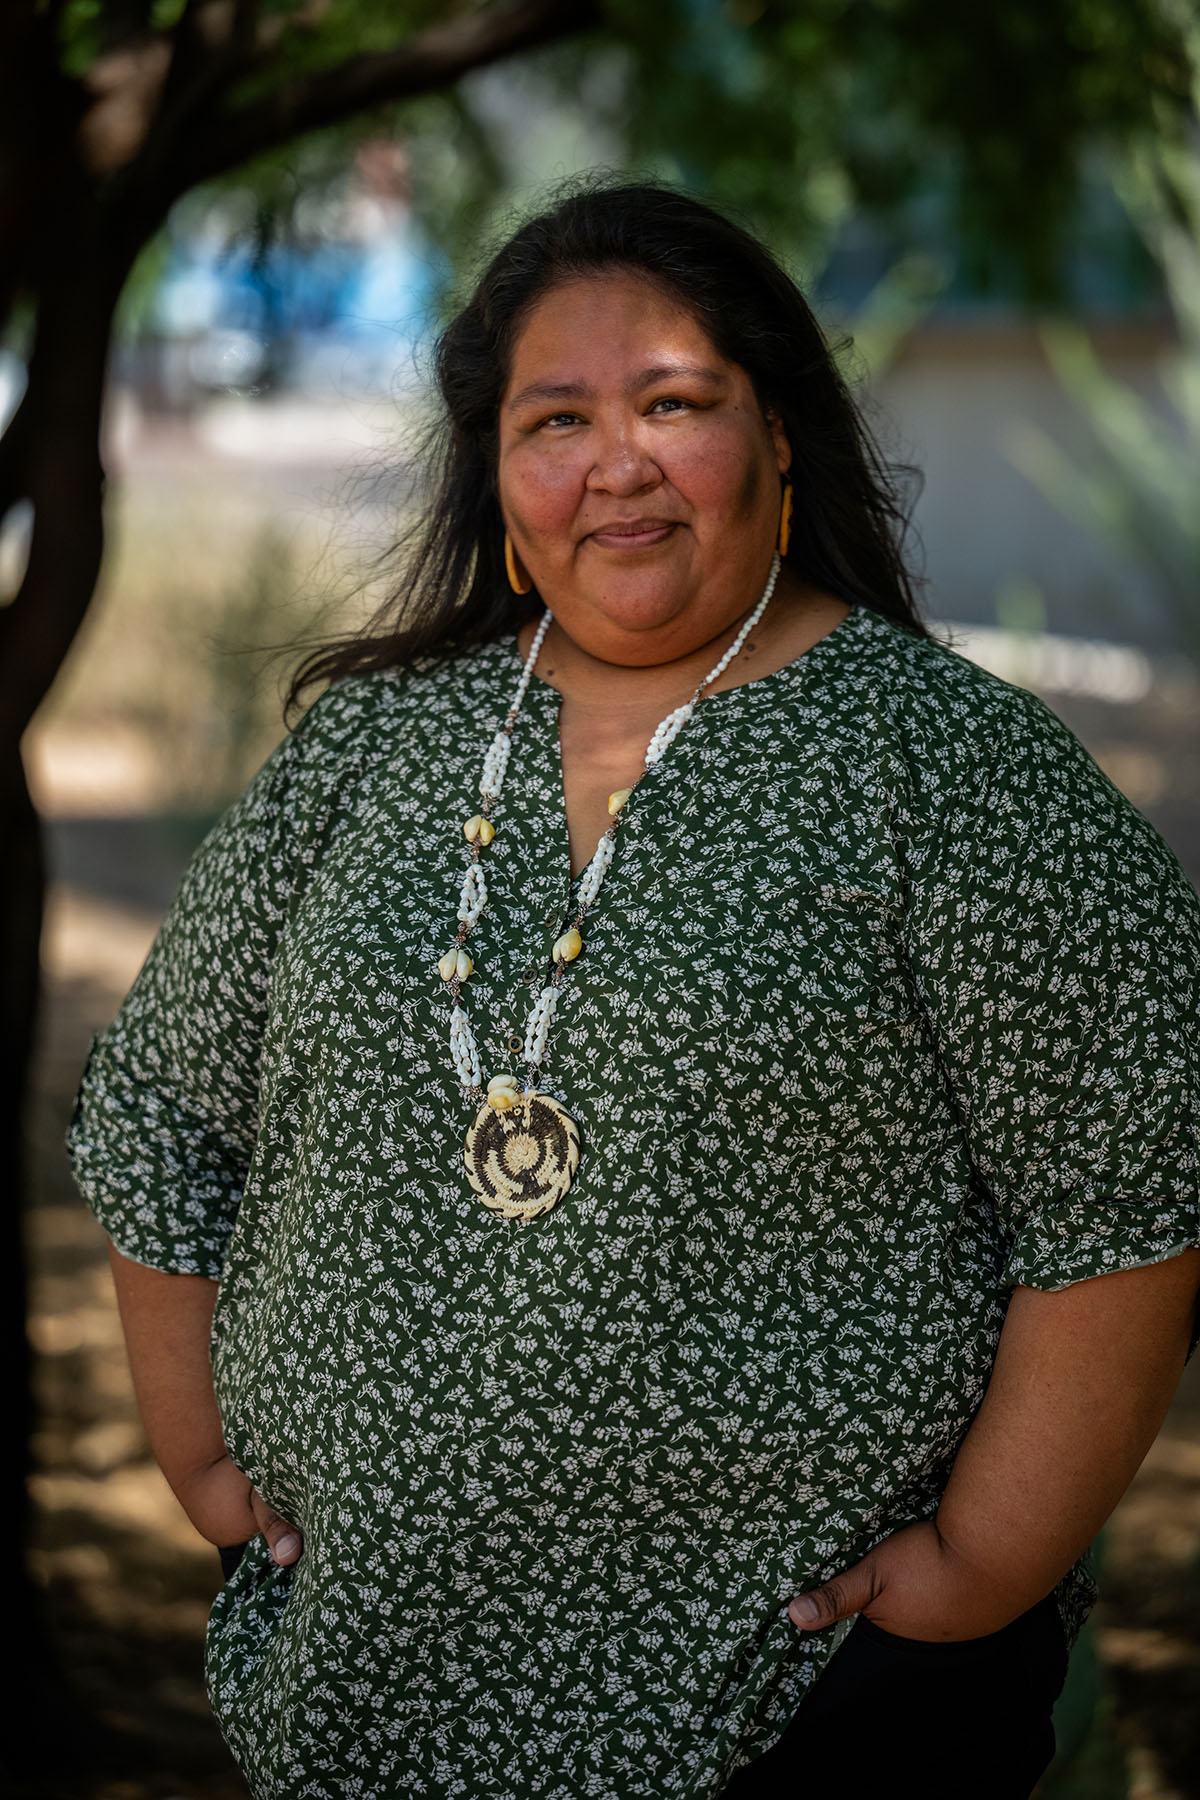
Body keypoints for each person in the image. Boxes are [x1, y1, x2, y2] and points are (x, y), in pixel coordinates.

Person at [67, 177, 1200, 1800]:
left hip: (805, 1707)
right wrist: (196, 1457)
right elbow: (161, 1110)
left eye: (675, 404)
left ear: (782, 435)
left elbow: (1129, 1183)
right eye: (556, 421)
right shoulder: (371, 753)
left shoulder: (955, 775)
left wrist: (987, 1567)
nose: (616, 465)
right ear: (499, 473)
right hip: (368, 1688)